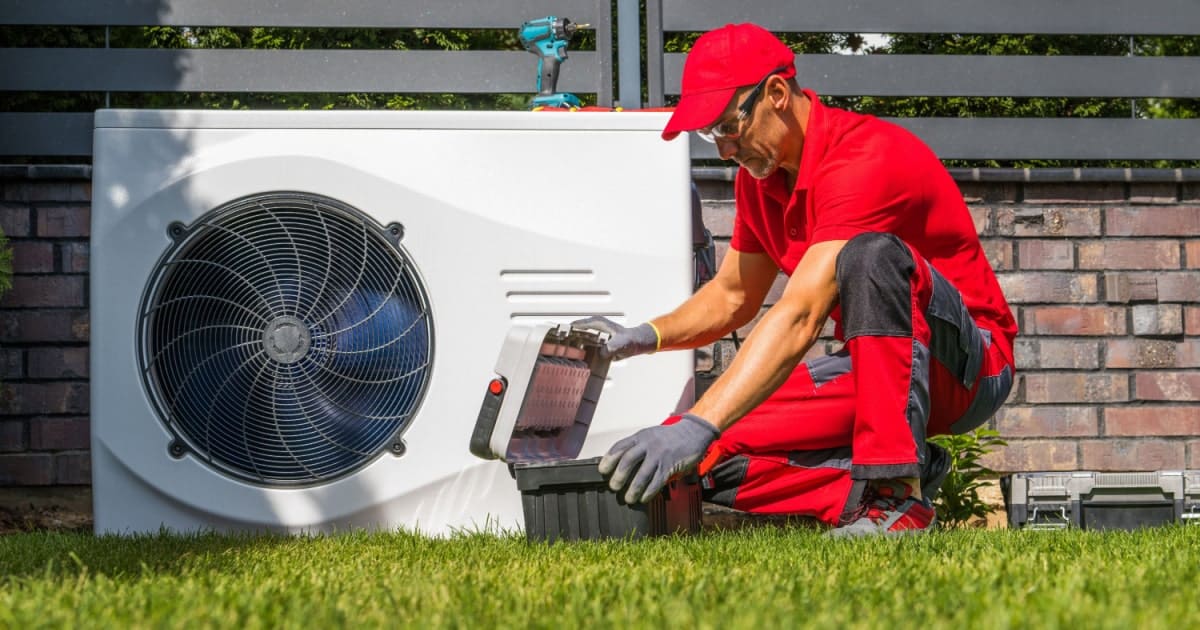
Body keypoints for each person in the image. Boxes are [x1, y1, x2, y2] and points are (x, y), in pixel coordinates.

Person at [572, 23, 1016, 537]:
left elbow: (801, 312)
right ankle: (890, 481)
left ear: (777, 94)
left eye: (727, 128)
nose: (722, 150)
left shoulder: (865, 158)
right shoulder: (760, 181)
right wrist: (642, 337)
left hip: (968, 367)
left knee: (869, 256)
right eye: (709, 135)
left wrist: (701, 420)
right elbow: (732, 295)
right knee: (700, 457)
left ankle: (896, 496)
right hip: (876, 371)